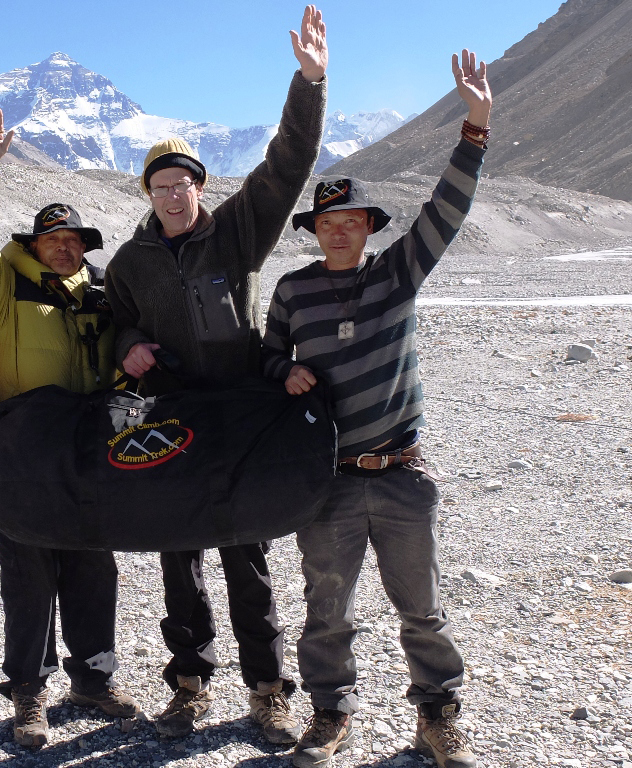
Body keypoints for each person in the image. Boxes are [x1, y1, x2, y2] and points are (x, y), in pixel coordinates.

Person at [260, 51, 492, 768]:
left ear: (368, 226)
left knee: (421, 607)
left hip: (399, 473)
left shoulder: (399, 272)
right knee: (327, 612)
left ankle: (438, 715)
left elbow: (446, 209)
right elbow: (263, 359)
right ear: (315, 229)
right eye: (328, 220)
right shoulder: (293, 292)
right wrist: (285, 368)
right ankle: (330, 716)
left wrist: (475, 130)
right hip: (327, 480)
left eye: (352, 218)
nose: (340, 229)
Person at [103, 5, 328, 744]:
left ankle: (267, 688)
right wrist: (130, 342)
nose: (172, 195)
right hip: (169, 419)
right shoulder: (132, 261)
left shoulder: (237, 231)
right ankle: (190, 683)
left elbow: (287, 164)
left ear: (199, 186)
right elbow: (114, 321)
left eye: (183, 183)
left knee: (247, 555)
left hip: (238, 418)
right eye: (159, 186)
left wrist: (309, 83)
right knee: (178, 558)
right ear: (147, 194)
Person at [0, 105, 139, 748]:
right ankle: (29, 692)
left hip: (90, 454)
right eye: (53, 239)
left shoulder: (103, 296)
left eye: (74, 240)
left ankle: (93, 678)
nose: (65, 246)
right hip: (24, 455)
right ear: (32, 245)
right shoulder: (1, 287)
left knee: (92, 566)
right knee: (27, 576)